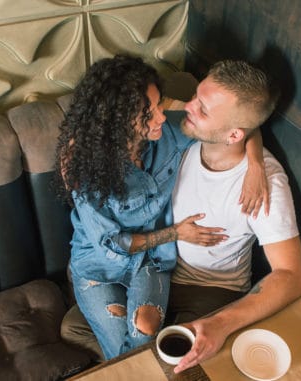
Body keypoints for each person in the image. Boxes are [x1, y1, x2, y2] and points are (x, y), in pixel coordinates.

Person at [54, 55, 268, 360]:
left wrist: (256, 164)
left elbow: (238, 123)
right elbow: (113, 246)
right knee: (126, 354)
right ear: (118, 123)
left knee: (144, 331)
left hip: (151, 262)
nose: (162, 117)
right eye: (149, 113)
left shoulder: (169, 135)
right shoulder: (86, 171)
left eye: (159, 105)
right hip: (97, 267)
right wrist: (177, 233)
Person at [168, 60, 301, 373]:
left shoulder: (265, 184)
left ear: (233, 135)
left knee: (177, 363)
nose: (188, 106)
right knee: (77, 329)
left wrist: (221, 324)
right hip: (158, 268)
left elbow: (291, 276)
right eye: (196, 96)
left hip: (211, 290)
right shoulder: (190, 130)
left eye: (202, 108)